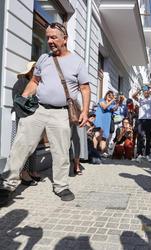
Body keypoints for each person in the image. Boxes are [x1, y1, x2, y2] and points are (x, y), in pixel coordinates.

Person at [0, 22, 91, 205]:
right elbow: (34, 81)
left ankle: (61, 186)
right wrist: (25, 96)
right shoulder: (43, 59)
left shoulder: (77, 62)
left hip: (61, 114)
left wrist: (86, 112)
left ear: (65, 39)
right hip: (38, 110)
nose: (49, 40)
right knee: (20, 146)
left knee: (61, 151)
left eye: (53, 37)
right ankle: (7, 185)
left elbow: (85, 88)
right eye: (47, 37)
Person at [132, 85, 151, 163]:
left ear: (149, 92)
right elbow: (133, 96)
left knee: (148, 138)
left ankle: (147, 154)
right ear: (143, 92)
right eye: (145, 91)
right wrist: (140, 89)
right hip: (141, 120)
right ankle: (139, 154)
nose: (146, 92)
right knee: (140, 137)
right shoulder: (141, 99)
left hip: (150, 120)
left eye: (147, 91)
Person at [93, 90, 115, 155]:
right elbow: (104, 107)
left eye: (111, 95)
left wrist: (118, 102)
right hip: (99, 120)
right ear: (106, 95)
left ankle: (102, 152)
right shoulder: (102, 100)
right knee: (97, 134)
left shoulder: (111, 104)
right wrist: (112, 101)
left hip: (106, 122)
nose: (110, 96)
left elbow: (114, 109)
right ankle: (94, 151)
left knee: (104, 137)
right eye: (109, 95)